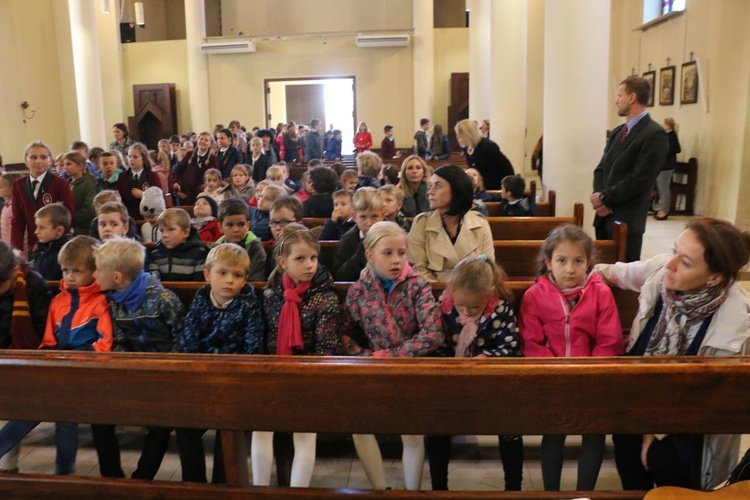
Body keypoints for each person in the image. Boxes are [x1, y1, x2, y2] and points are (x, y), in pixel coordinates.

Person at [595, 218, 750, 491]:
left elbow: (712, 400)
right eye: (674, 250)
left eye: (685, 261)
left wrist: (654, 432)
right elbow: (615, 273)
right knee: (628, 455)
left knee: (664, 463)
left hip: (689, 426)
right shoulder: (660, 271)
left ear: (715, 278)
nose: (670, 263)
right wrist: (575, 275)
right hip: (636, 402)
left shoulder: (737, 326)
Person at [519, 225, 623, 491]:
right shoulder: (534, 296)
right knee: (553, 434)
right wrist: (557, 374)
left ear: (589, 262)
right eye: (561, 261)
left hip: (593, 379)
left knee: (594, 433)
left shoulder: (600, 292)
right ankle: (551, 493)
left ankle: (584, 493)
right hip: (552, 380)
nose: (570, 269)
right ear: (548, 263)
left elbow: (609, 341)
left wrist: (587, 374)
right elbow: (532, 343)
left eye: (578, 261)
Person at [0, 236, 112, 476]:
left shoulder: (100, 302)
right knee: (31, 409)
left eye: (77, 271)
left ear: (94, 272)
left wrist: (78, 357)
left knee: (64, 414)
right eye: (65, 270)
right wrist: (48, 359)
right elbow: (49, 339)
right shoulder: (58, 301)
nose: (69, 277)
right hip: (58, 369)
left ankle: (64, 471)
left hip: (86, 370)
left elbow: (105, 343)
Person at [345, 221, 443, 491]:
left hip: (409, 368)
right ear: (370, 255)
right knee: (360, 426)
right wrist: (367, 355)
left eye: (401, 253)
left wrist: (393, 355)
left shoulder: (417, 285)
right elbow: (343, 334)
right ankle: (380, 489)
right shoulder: (358, 291)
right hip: (372, 368)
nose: (397, 260)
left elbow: (433, 333)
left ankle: (412, 491)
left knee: (412, 430)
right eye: (387, 253)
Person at [254, 224, 344, 487]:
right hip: (274, 374)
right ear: (282, 262)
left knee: (304, 433)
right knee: (259, 426)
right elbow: (266, 338)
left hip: (310, 378)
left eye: (313, 258)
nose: (309, 265)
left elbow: (327, 348)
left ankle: (297, 491)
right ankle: (259, 490)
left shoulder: (325, 298)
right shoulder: (272, 294)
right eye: (300, 259)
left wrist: (300, 379)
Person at [426, 256, 524, 491]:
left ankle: (513, 487)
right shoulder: (443, 307)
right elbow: (435, 345)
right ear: (452, 290)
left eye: (474, 306)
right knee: (436, 427)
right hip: (451, 380)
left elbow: (510, 346)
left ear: (490, 293)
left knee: (511, 426)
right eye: (462, 305)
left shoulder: (501, 310)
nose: (466, 310)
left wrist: (486, 359)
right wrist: (451, 367)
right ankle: (439, 487)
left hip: (493, 382)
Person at [92, 238, 184, 480]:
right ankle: (112, 478)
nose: (94, 274)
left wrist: (167, 371)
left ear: (117, 277)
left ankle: (142, 478)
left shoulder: (163, 299)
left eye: (98, 269)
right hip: (132, 375)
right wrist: (126, 370)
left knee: (161, 423)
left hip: (166, 376)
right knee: (99, 417)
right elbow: (120, 341)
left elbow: (182, 338)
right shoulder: (115, 303)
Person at [176, 243, 264, 484]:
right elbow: (189, 342)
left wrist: (234, 376)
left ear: (245, 279)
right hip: (203, 380)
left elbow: (253, 347)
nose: (229, 281)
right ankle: (194, 484)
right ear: (208, 274)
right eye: (222, 273)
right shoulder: (201, 300)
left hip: (237, 382)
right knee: (184, 424)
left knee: (228, 426)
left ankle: (222, 484)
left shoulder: (249, 304)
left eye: (237, 275)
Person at [591, 76, 669, 262]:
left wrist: (604, 198)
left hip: (626, 219)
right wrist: (598, 197)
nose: (616, 100)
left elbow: (639, 180)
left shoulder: (654, 133)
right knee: (603, 276)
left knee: (624, 280)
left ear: (632, 98)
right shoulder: (618, 132)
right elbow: (600, 169)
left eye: (620, 95)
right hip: (604, 217)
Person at [0, 241, 52, 474]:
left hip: (24, 362)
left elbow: (41, 333)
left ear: (13, 273)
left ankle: (7, 471)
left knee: (27, 406)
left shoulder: (34, 285)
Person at [407, 165, 494, 282]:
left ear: (456, 189)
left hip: (472, 291)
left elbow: (487, 267)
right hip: (432, 293)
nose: (430, 192)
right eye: (430, 186)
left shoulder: (480, 223)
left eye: (437, 186)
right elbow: (417, 269)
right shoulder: (422, 223)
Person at [11, 141, 75, 253]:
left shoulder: (60, 183)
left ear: (50, 160)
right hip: (33, 244)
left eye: (43, 157)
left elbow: (68, 215)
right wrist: (16, 250)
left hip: (56, 245)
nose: (38, 161)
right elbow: (17, 220)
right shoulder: (18, 184)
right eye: (33, 157)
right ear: (26, 160)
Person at [333, 187, 384, 281]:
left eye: (374, 216)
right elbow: (340, 277)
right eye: (363, 217)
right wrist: (359, 255)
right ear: (355, 217)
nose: (369, 223)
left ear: (382, 215)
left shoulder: (392, 237)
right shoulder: (347, 241)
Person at [148, 208, 208, 281]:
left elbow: (198, 284)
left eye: (171, 229)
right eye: (162, 231)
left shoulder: (199, 254)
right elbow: (153, 282)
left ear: (185, 233)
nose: (164, 235)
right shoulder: (156, 255)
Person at [214, 198, 266, 281]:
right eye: (230, 225)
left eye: (241, 224)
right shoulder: (215, 249)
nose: (236, 230)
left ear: (248, 225)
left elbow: (256, 279)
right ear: (220, 227)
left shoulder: (255, 247)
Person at [455, 119, 514, 190]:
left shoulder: (488, 146)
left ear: (467, 134)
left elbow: (506, 168)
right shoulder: (467, 148)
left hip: (495, 187)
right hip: (480, 188)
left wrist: (508, 188)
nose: (457, 137)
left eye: (459, 135)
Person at [117, 143, 163, 220]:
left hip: (148, 217)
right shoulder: (122, 176)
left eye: (135, 157)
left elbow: (159, 198)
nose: (131, 159)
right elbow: (121, 197)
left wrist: (143, 195)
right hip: (129, 216)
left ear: (143, 159)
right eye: (129, 156)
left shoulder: (152, 175)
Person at [28, 203, 71, 281]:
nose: (36, 231)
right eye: (37, 226)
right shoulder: (39, 248)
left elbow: (45, 274)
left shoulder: (65, 254)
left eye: (42, 227)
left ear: (59, 230)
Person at [174, 132, 219, 205]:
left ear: (210, 144)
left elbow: (215, 176)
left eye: (206, 140)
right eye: (201, 139)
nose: (203, 141)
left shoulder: (213, 159)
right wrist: (177, 183)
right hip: (187, 193)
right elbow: (178, 170)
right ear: (197, 141)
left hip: (203, 193)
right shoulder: (189, 155)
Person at [62, 152, 96, 236]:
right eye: (64, 164)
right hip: (71, 225)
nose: (65, 167)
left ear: (80, 166)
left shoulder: (88, 183)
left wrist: (72, 219)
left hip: (84, 228)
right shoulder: (67, 182)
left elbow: (89, 208)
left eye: (68, 164)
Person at [654, 118, 681, 221]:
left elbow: (676, 149)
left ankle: (664, 211)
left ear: (669, 125)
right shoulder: (666, 135)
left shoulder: (671, 136)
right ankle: (661, 209)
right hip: (662, 165)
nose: (663, 125)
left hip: (666, 166)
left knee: (664, 188)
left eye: (664, 124)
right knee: (661, 188)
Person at [0, 173, 24, 246]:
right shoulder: (7, 204)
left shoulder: (17, 207)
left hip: (16, 250)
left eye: (1, 187)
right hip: (7, 246)